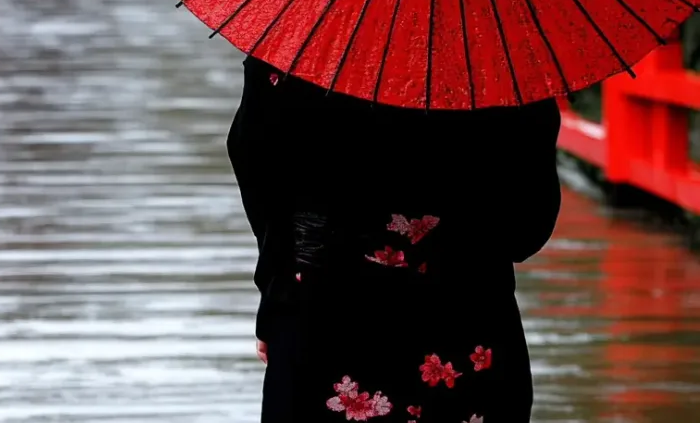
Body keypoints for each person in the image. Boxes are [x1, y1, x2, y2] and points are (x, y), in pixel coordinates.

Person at [229, 56, 561, 423]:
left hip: (321, 317)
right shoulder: (501, 59)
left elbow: (262, 181)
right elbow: (526, 231)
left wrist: (273, 295)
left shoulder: (295, 50)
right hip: (466, 320)